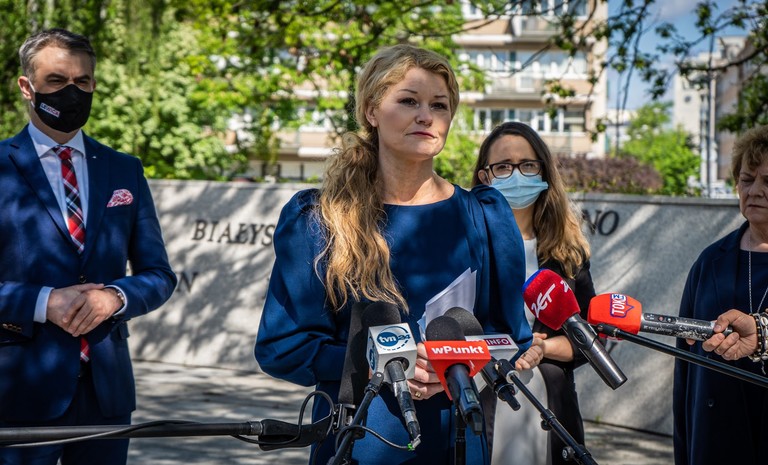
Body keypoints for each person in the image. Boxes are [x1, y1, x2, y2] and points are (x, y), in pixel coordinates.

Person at [254, 44, 532, 465]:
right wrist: (375, 363)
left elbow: (510, 337)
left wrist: (460, 364)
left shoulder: (486, 215)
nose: (426, 116)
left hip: (457, 439)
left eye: (439, 105)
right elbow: (282, 347)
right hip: (358, 438)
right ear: (371, 110)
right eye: (408, 101)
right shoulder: (319, 218)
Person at [0, 28, 177, 465]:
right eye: (56, 81)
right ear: (27, 87)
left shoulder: (124, 169)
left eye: (82, 81)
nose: (72, 92)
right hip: (18, 391)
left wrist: (114, 296)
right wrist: (45, 302)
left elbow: (158, 274)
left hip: (106, 393)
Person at [472, 121, 596, 465]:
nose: (516, 175)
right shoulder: (466, 246)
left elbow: (589, 337)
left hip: (549, 407)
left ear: (543, 171)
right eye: (503, 167)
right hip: (481, 400)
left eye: (527, 165)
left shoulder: (567, 253)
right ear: (485, 177)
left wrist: (543, 348)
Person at [673, 124, 768, 465]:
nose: (755, 190)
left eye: (767, 181)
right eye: (747, 179)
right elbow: (685, 369)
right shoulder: (709, 261)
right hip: (716, 440)